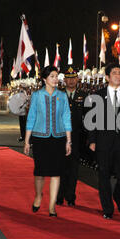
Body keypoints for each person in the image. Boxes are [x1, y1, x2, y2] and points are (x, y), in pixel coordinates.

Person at [88, 63, 120, 219]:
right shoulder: (98, 95)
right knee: (104, 175)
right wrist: (92, 140)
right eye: (114, 73)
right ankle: (107, 209)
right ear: (108, 77)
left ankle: (118, 197)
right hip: (103, 141)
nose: (118, 75)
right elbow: (93, 120)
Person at [24, 66, 72, 217]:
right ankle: (38, 196)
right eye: (52, 76)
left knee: (56, 173)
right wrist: (27, 141)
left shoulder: (62, 96)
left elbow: (66, 118)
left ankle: (52, 206)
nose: (56, 79)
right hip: (40, 139)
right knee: (40, 172)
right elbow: (31, 118)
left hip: (58, 138)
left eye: (57, 76)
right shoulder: (37, 96)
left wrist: (68, 141)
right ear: (44, 79)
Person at [57, 67, 87, 207]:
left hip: (76, 137)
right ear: (64, 80)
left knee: (74, 169)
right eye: (68, 78)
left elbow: (88, 119)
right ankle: (59, 195)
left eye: (73, 78)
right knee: (60, 167)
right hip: (60, 137)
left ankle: (70, 196)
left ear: (77, 80)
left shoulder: (84, 96)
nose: (71, 81)